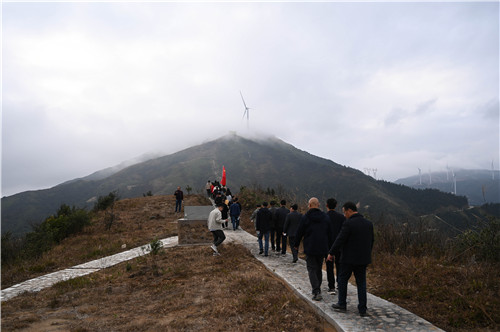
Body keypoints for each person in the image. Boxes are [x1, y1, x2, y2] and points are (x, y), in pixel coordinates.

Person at [328, 201, 374, 317]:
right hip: (363, 259)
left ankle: (342, 304)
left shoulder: (348, 224)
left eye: (345, 213)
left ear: (349, 210)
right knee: (361, 283)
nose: (344, 215)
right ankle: (362, 309)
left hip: (348, 259)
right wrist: (367, 253)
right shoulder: (368, 223)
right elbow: (371, 241)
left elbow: (340, 239)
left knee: (342, 280)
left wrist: (331, 253)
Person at [294, 197, 332, 301]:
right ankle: (317, 288)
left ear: (309, 205)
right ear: (318, 205)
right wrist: (330, 248)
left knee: (311, 268)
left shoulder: (306, 217)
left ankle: (316, 291)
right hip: (322, 247)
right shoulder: (325, 217)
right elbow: (330, 233)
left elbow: (299, 231)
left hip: (310, 246)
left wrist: (296, 244)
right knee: (318, 268)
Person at [325, 198, 346, 295]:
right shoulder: (342, 217)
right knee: (339, 265)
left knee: (329, 266)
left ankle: (331, 286)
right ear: (336, 205)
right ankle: (339, 284)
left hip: (328, 244)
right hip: (339, 245)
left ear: (326, 206)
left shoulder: (324, 217)